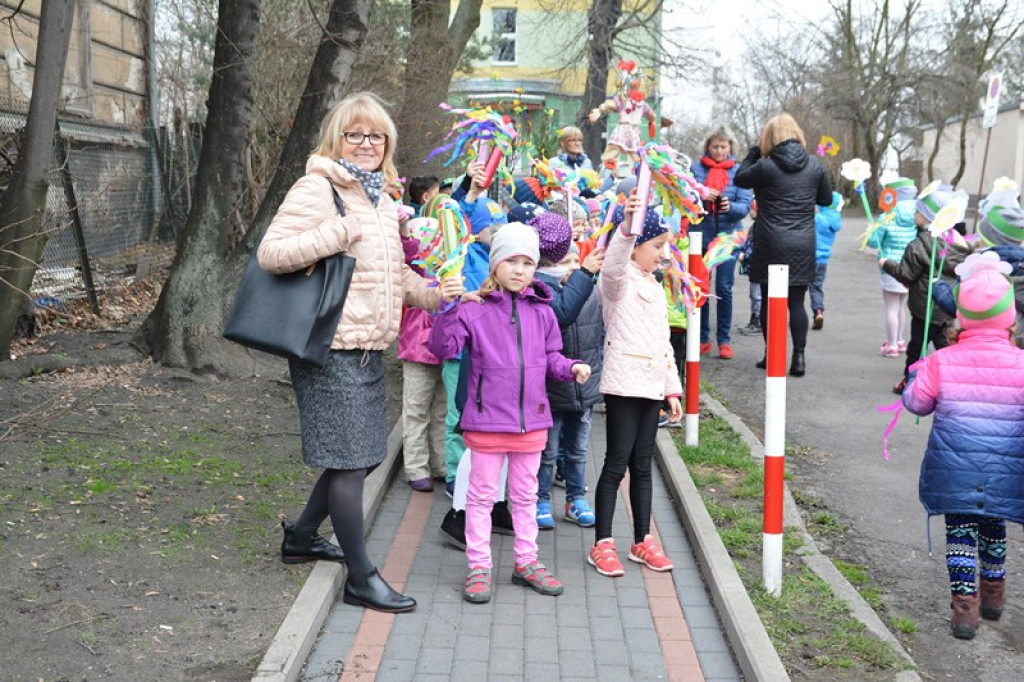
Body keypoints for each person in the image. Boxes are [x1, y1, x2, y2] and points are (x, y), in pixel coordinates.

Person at [258, 92, 462, 613]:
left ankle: (302, 536)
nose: (366, 143)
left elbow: (390, 275)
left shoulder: (382, 200)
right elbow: (272, 254)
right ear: (337, 138)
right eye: (355, 134)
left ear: (387, 143)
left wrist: (436, 295)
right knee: (351, 464)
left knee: (364, 457)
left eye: (376, 135)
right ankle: (361, 575)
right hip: (328, 348)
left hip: (368, 348)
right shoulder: (319, 189)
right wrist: (338, 231)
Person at [429, 222, 592, 603]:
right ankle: (479, 567)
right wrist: (448, 307)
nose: (520, 270)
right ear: (495, 264)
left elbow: (550, 357)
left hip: (531, 423)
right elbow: (442, 346)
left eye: (528, 262)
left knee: (524, 496)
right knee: (481, 498)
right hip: (487, 424)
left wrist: (570, 367)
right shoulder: (474, 309)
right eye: (512, 261)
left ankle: (526, 562)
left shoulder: (544, 311)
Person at [901, 251, 1024, 640]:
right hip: (1005, 467)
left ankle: (965, 610)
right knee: (994, 529)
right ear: (1010, 317)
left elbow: (918, 403)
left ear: (961, 316)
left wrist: (915, 375)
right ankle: (993, 597)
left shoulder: (942, 360)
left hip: (955, 466)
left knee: (960, 535)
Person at [588, 197, 682, 578]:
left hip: (652, 388)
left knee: (643, 466)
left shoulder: (656, 288)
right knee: (616, 463)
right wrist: (627, 226)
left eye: (666, 246)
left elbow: (664, 345)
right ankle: (602, 543)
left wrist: (672, 389)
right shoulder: (618, 282)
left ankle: (642, 540)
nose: (664, 254)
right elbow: (612, 262)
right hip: (625, 386)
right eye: (657, 245)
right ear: (637, 245)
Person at [734, 113, 832, 377]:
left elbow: (739, 178)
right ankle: (798, 357)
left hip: (770, 241)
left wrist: (754, 153)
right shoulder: (815, 165)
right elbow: (825, 200)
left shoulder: (764, 167)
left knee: (768, 300)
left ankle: (771, 353)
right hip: (802, 242)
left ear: (769, 138)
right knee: (797, 302)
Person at [530, 213, 606, 530]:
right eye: (569, 260)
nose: (574, 267)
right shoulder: (541, 292)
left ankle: (576, 498)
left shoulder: (590, 294)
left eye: (579, 261)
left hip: (583, 389)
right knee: (547, 451)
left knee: (577, 451)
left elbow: (598, 338)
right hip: (552, 388)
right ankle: (541, 499)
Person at [880, 186, 971, 394]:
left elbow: (906, 273)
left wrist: (886, 263)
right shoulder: (957, 240)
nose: (914, 215)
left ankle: (910, 381)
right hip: (948, 303)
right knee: (944, 343)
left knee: (917, 347)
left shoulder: (922, 243)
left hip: (926, 306)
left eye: (918, 212)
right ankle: (954, 382)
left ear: (929, 216)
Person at [689, 126, 752, 360]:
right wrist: (701, 198)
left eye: (723, 146)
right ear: (708, 146)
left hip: (728, 236)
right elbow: (686, 200)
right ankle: (702, 337)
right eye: (715, 146)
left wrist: (730, 207)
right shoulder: (695, 169)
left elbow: (745, 205)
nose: (718, 150)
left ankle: (724, 340)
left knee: (724, 288)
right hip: (700, 236)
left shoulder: (740, 172)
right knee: (701, 289)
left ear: (730, 148)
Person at [866, 177, 916, 354]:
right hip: (910, 267)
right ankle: (900, 340)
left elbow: (873, 242)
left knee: (891, 307)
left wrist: (871, 230)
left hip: (889, 265)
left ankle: (892, 345)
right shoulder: (917, 216)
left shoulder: (887, 216)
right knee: (902, 306)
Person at [810, 191, 844, 330]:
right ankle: (818, 311)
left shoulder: (817, 219)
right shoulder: (835, 220)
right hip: (823, 260)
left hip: (809, 257)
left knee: (798, 287)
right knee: (816, 286)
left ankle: (793, 313)